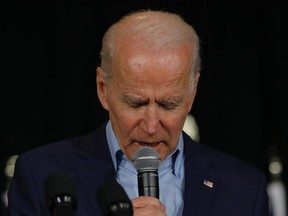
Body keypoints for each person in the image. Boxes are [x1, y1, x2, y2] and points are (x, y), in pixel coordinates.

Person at [5, 9, 270, 216]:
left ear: (193, 92)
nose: (152, 125)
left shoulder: (244, 188)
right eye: (136, 103)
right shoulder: (42, 175)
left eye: (169, 104)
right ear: (102, 89)